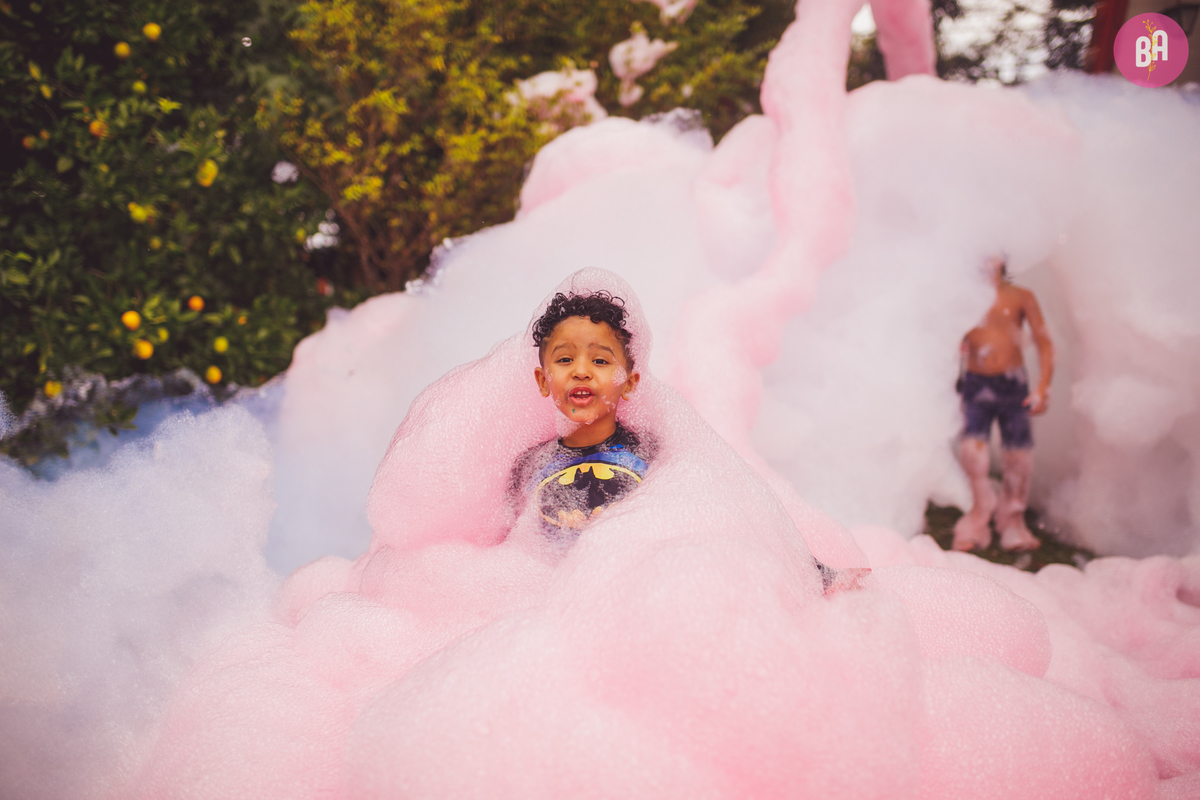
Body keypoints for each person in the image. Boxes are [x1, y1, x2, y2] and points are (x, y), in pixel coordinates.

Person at [510, 291, 654, 540]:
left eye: (600, 361)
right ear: (543, 381)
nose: (581, 371)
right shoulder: (527, 468)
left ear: (628, 383)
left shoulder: (653, 454)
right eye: (565, 359)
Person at [952, 255, 1054, 552]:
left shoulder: (1020, 296)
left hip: (1012, 385)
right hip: (975, 384)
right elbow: (945, 337)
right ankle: (978, 516)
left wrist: (1043, 387)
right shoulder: (964, 298)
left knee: (1018, 456)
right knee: (972, 453)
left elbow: (1043, 341)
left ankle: (1012, 521)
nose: (987, 256)